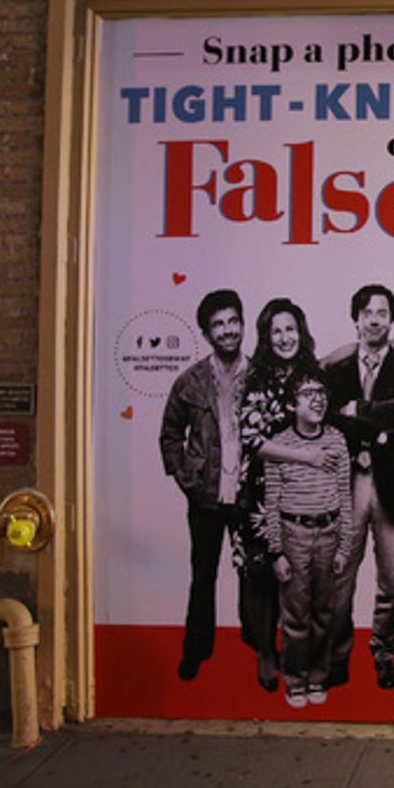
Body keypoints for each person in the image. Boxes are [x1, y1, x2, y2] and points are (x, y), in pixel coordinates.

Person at [322, 283, 394, 691]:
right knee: (340, 574)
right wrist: (378, 425)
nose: (374, 319)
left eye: (382, 312)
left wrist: (360, 411)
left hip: (392, 483)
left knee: (390, 577)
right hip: (349, 481)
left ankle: (383, 654)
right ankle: (338, 656)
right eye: (367, 312)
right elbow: (330, 418)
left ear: (393, 319)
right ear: (356, 318)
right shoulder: (337, 371)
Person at [158, 288, 248, 682]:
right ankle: (196, 650)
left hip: (249, 495)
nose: (227, 331)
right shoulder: (190, 381)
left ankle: (259, 649)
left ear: (243, 324)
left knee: (255, 577)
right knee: (203, 575)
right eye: (218, 325)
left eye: (233, 321)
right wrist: (185, 477)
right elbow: (169, 433)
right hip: (206, 496)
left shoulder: (261, 373)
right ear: (208, 333)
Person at [233, 297, 321, 692]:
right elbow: (253, 441)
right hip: (260, 491)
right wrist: (302, 453)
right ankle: (264, 652)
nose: (285, 338)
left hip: (303, 492)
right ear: (267, 338)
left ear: (300, 333)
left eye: (291, 329)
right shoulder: (255, 379)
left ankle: (294, 652)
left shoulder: (313, 376)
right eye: (277, 331)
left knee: (299, 573)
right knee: (259, 572)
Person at [263, 367, 352, 708]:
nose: (318, 399)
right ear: (291, 404)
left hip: (328, 534)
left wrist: (344, 545)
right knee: (296, 616)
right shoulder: (279, 446)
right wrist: (277, 552)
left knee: (324, 612)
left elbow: (345, 495)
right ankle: (295, 680)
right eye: (308, 393)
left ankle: (318, 676)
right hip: (294, 535)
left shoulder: (337, 441)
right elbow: (271, 501)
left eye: (322, 393)